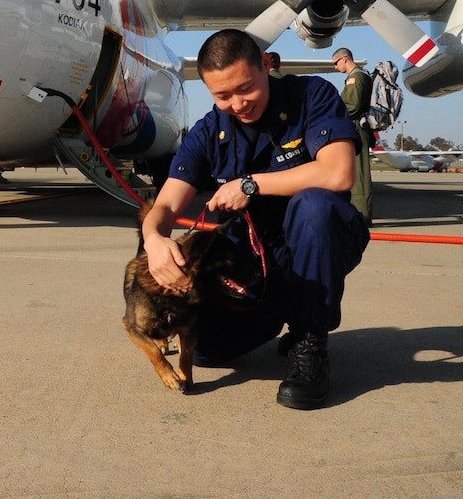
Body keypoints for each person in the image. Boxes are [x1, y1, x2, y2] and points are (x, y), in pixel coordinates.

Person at [141, 29, 369, 410]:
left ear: (266, 64)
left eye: (245, 88)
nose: (237, 103)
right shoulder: (209, 131)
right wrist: (154, 240)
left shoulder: (311, 96)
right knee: (206, 352)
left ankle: (310, 343)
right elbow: (164, 207)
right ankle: (283, 312)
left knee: (313, 206)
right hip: (256, 262)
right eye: (222, 95)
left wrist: (250, 184)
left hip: (320, 242)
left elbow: (338, 173)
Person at [332, 48, 373, 225]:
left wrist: (332, 112)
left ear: (345, 59)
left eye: (336, 63)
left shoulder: (356, 78)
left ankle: (363, 214)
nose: (335, 67)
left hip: (357, 127)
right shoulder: (357, 77)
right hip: (355, 127)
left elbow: (353, 105)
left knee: (360, 173)